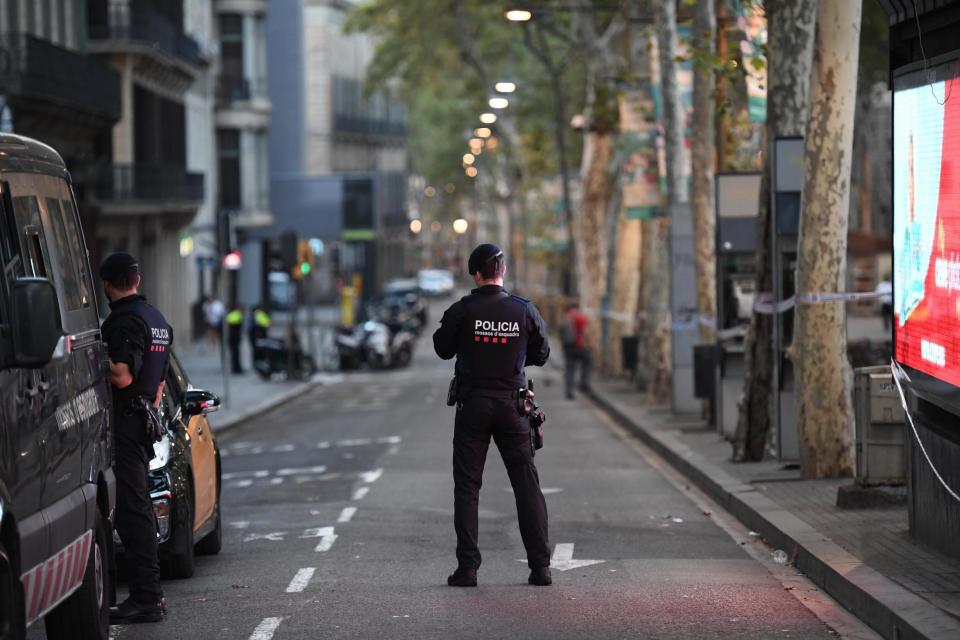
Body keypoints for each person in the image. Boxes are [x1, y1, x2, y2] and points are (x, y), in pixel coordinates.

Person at [433, 243, 552, 588]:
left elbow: (442, 348)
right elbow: (542, 354)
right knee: (526, 484)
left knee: (468, 487)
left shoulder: (463, 309)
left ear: (476, 274)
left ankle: (467, 569)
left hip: (473, 406)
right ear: (502, 273)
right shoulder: (524, 310)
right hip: (514, 406)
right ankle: (541, 567)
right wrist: (513, 355)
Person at [99, 253, 170, 624]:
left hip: (124, 425)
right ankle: (148, 595)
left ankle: (146, 598)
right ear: (137, 281)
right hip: (144, 421)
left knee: (131, 511)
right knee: (137, 507)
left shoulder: (124, 321)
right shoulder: (157, 320)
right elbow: (158, 389)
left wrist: (91, 357)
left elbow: (122, 375)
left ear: (108, 285)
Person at [561, 301, 590, 400]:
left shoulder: (565, 317)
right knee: (587, 361)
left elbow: (561, 333)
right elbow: (584, 331)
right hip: (579, 346)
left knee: (570, 369)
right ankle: (583, 384)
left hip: (568, 347)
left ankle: (569, 391)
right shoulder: (579, 316)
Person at [225, 304, 245, 374]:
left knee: (234, 354)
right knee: (236, 354)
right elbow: (238, 326)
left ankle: (235, 368)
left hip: (231, 338)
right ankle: (237, 369)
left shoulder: (230, 315)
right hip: (235, 338)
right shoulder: (237, 315)